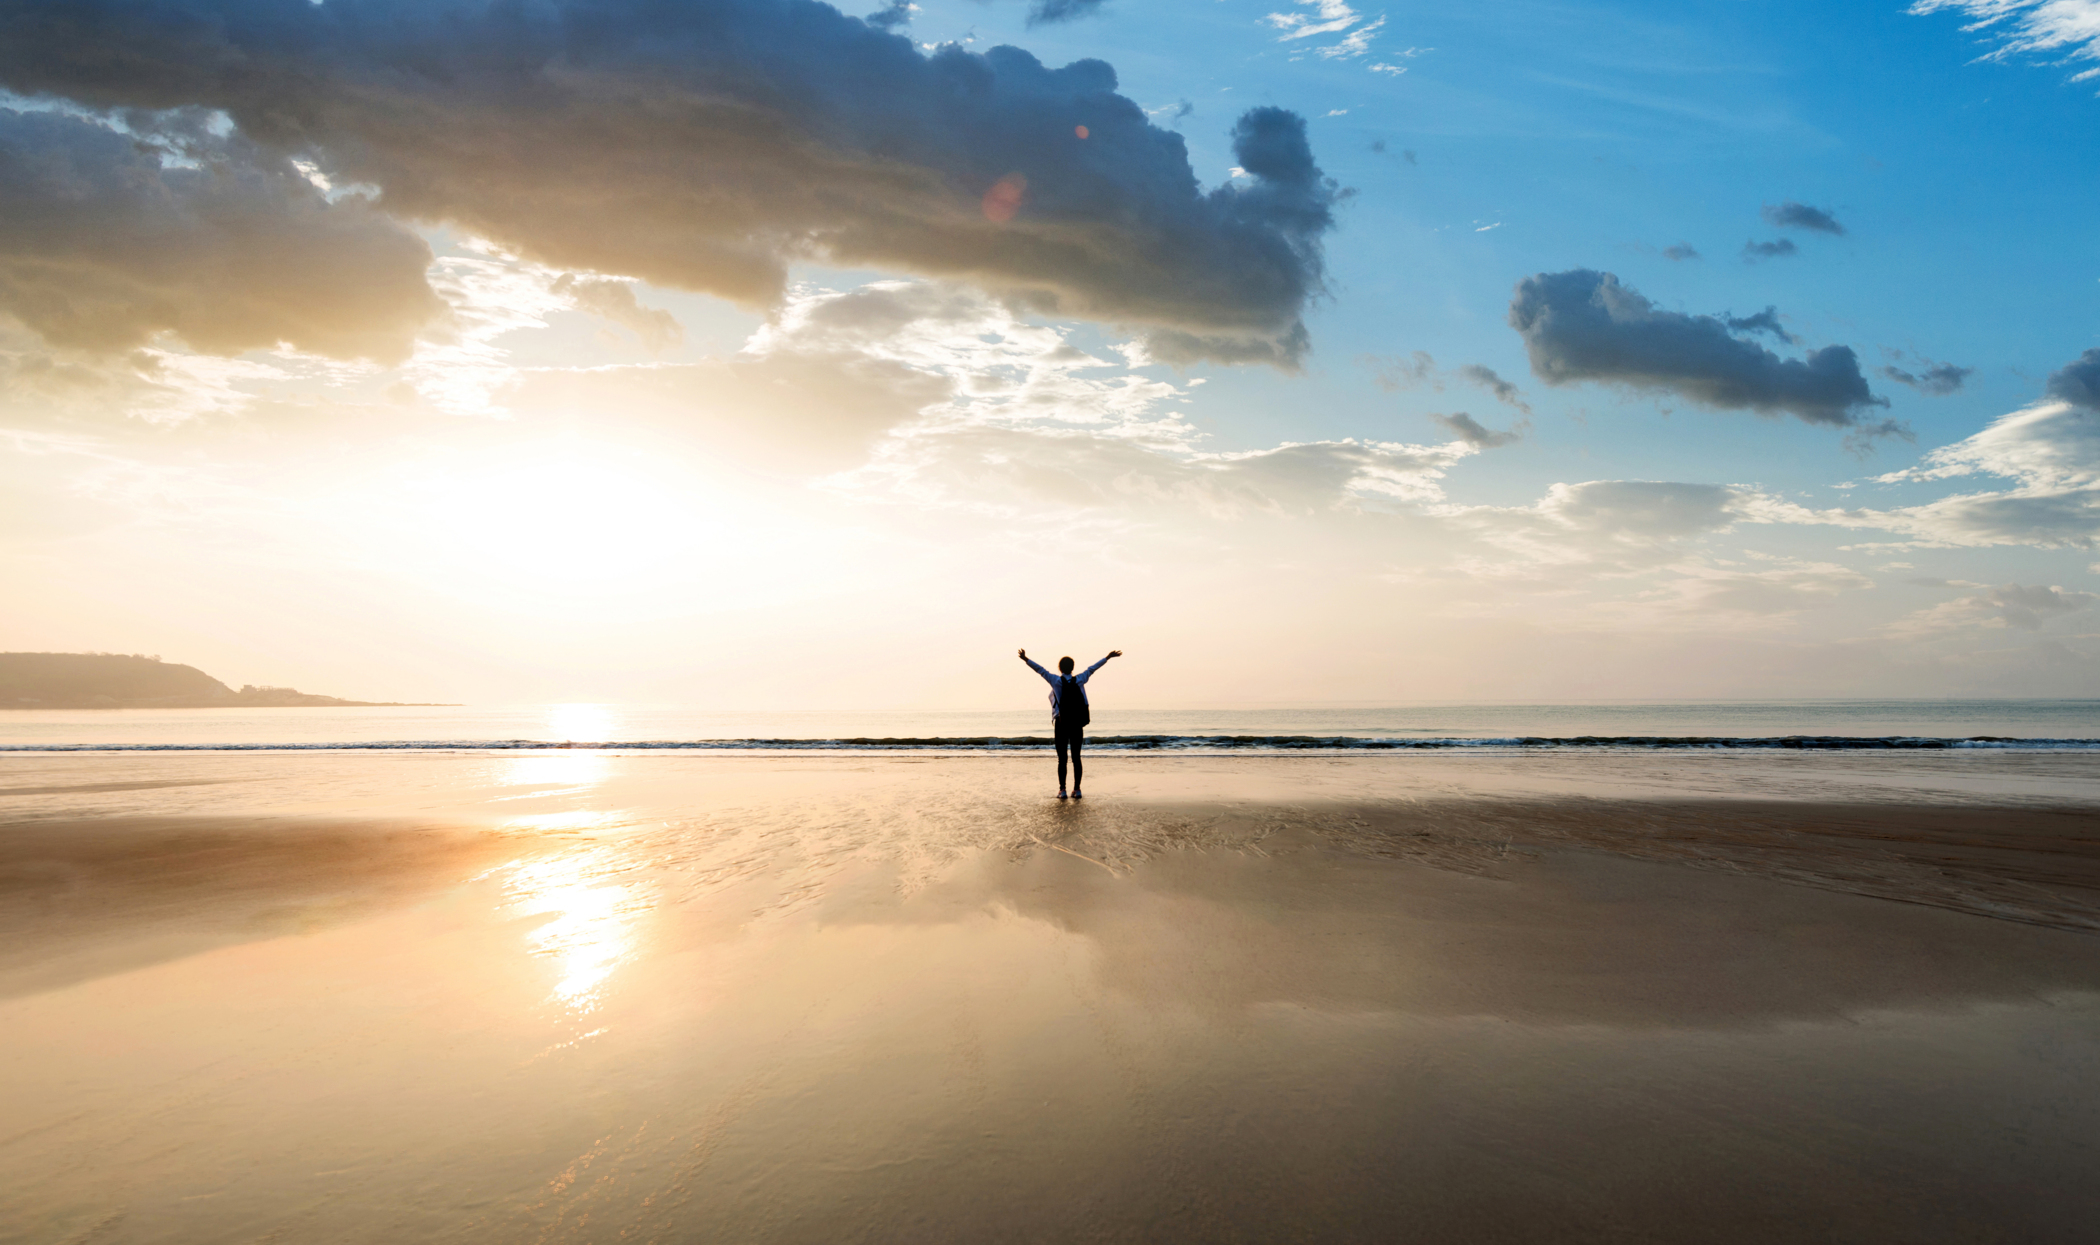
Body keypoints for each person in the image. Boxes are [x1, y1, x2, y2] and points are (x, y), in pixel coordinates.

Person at [1018, 647, 1121, 799]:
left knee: (1062, 759)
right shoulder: (1080, 679)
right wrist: (1107, 657)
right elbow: (1093, 668)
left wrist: (1026, 659)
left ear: (1060, 668)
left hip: (1061, 722)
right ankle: (1077, 789)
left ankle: (1062, 790)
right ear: (1072, 668)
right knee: (1076, 757)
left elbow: (1040, 670)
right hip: (1076, 722)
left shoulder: (1055, 680)